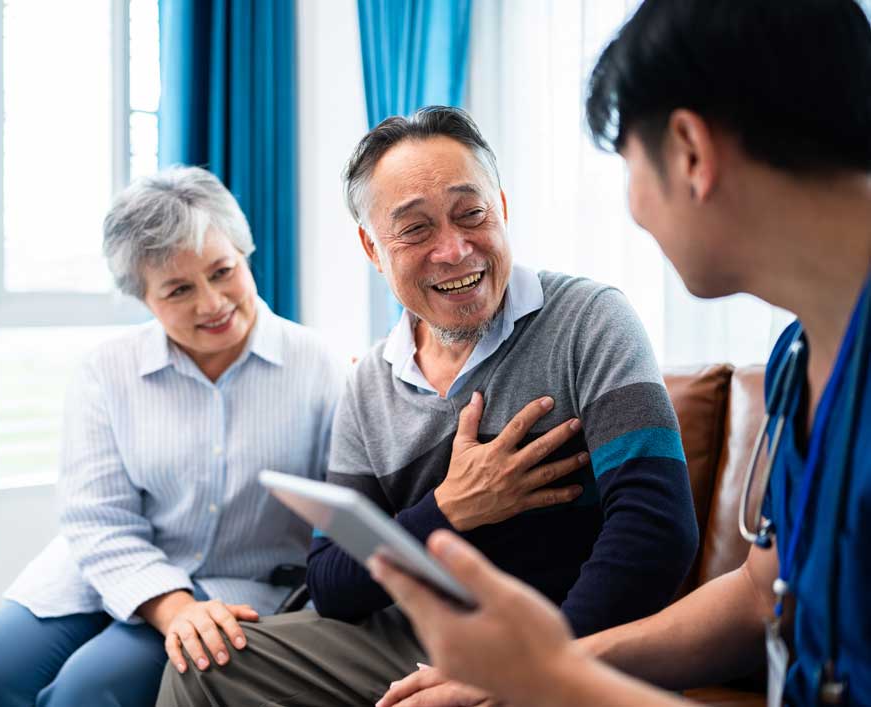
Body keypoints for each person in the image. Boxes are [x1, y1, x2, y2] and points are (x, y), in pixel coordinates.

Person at [370, 1, 871, 706]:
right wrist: (531, 665)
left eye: (629, 165)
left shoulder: (587, 317)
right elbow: (763, 589)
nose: (634, 209)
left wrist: (552, 679)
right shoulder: (802, 354)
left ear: (689, 152)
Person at [158, 107, 700, 706]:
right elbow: (332, 581)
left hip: (565, 636)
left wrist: (536, 670)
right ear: (372, 247)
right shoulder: (370, 383)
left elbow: (657, 531)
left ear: (502, 207)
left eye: (472, 214)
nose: (454, 250)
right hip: (416, 636)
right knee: (203, 668)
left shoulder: (589, 319)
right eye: (415, 229)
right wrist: (450, 508)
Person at [0, 166, 344, 706]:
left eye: (222, 271)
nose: (211, 303)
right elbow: (96, 518)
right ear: (144, 298)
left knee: (89, 690)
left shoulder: (319, 367)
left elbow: (348, 509)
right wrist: (171, 607)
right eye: (178, 290)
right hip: (99, 572)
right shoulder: (107, 370)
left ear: (245, 253)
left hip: (230, 590)